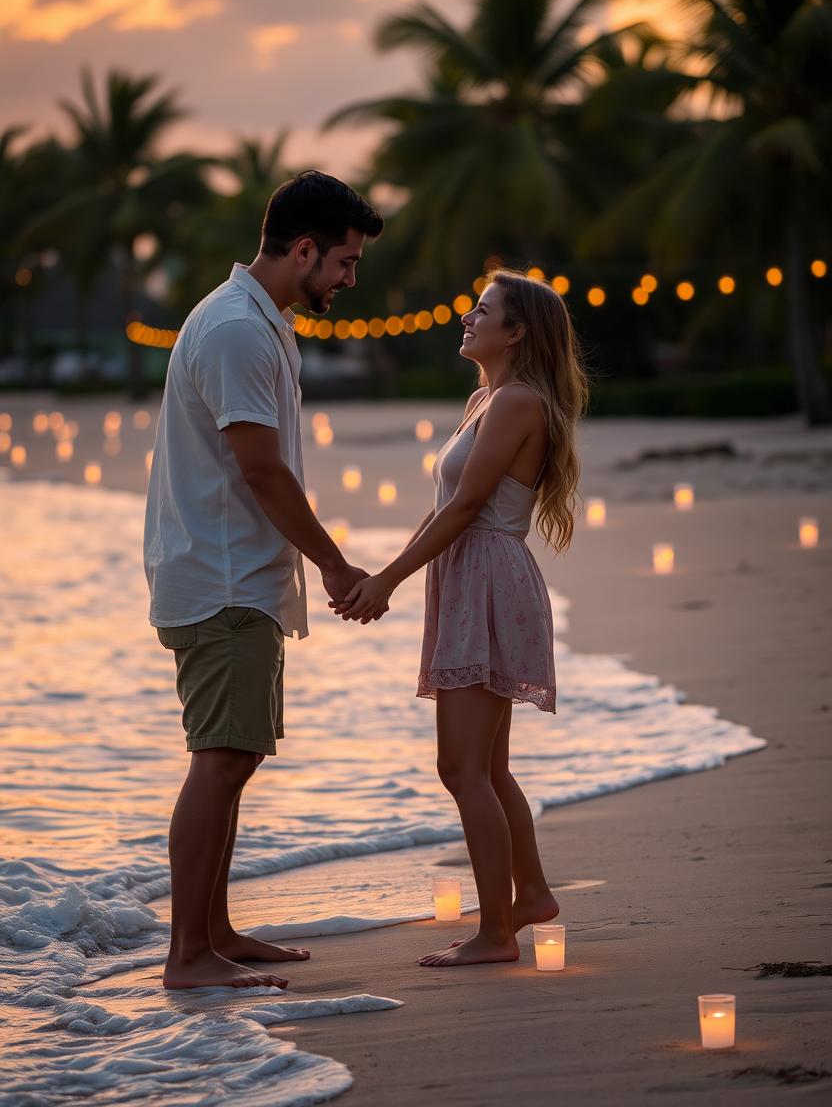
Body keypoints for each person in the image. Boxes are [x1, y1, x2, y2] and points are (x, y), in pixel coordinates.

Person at [144, 170, 384, 990]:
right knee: (221, 756)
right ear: (305, 249)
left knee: (235, 755)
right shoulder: (236, 331)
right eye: (345, 262)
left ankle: (215, 931)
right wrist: (336, 563)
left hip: (235, 574)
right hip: (221, 580)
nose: (350, 279)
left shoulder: (256, 319)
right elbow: (262, 471)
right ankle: (188, 956)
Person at [334, 269, 587, 966]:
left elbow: (470, 505)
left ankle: (497, 933)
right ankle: (529, 893)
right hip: (469, 574)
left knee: (461, 767)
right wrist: (380, 574)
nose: (466, 319)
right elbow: (445, 505)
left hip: (487, 578)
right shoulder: (486, 398)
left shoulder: (516, 403)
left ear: (517, 331)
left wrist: (390, 579)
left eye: (483, 311)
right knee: (487, 765)